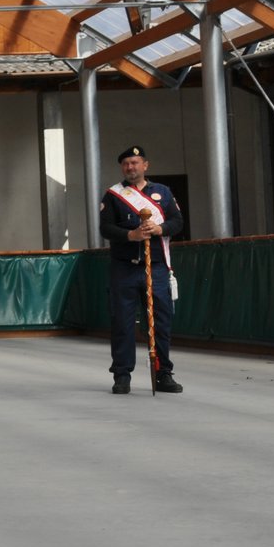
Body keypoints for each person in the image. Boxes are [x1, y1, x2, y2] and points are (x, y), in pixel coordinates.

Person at [99, 145, 183, 395]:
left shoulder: (163, 193)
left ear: (145, 165)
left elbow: (177, 222)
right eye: (126, 164)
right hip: (124, 268)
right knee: (122, 322)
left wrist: (160, 229)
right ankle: (122, 375)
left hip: (155, 267)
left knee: (160, 320)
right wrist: (130, 235)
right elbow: (106, 228)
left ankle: (163, 373)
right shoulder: (113, 196)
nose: (130, 167)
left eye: (135, 163)